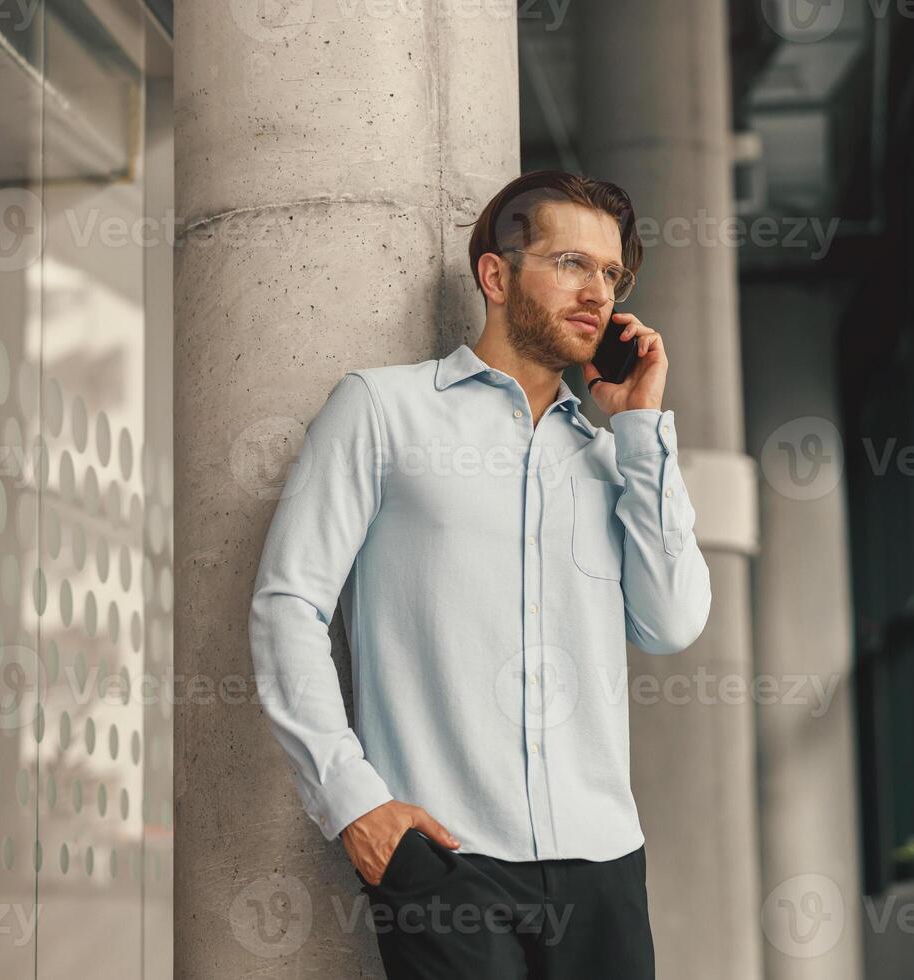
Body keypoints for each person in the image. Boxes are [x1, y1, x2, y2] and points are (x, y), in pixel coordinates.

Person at [248, 170, 713, 978]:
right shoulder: (384, 411)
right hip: (447, 860)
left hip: (603, 866)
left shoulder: (612, 460)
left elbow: (672, 622)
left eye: (611, 274)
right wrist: (353, 799)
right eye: (571, 262)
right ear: (496, 277)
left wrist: (641, 430)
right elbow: (288, 604)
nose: (597, 291)